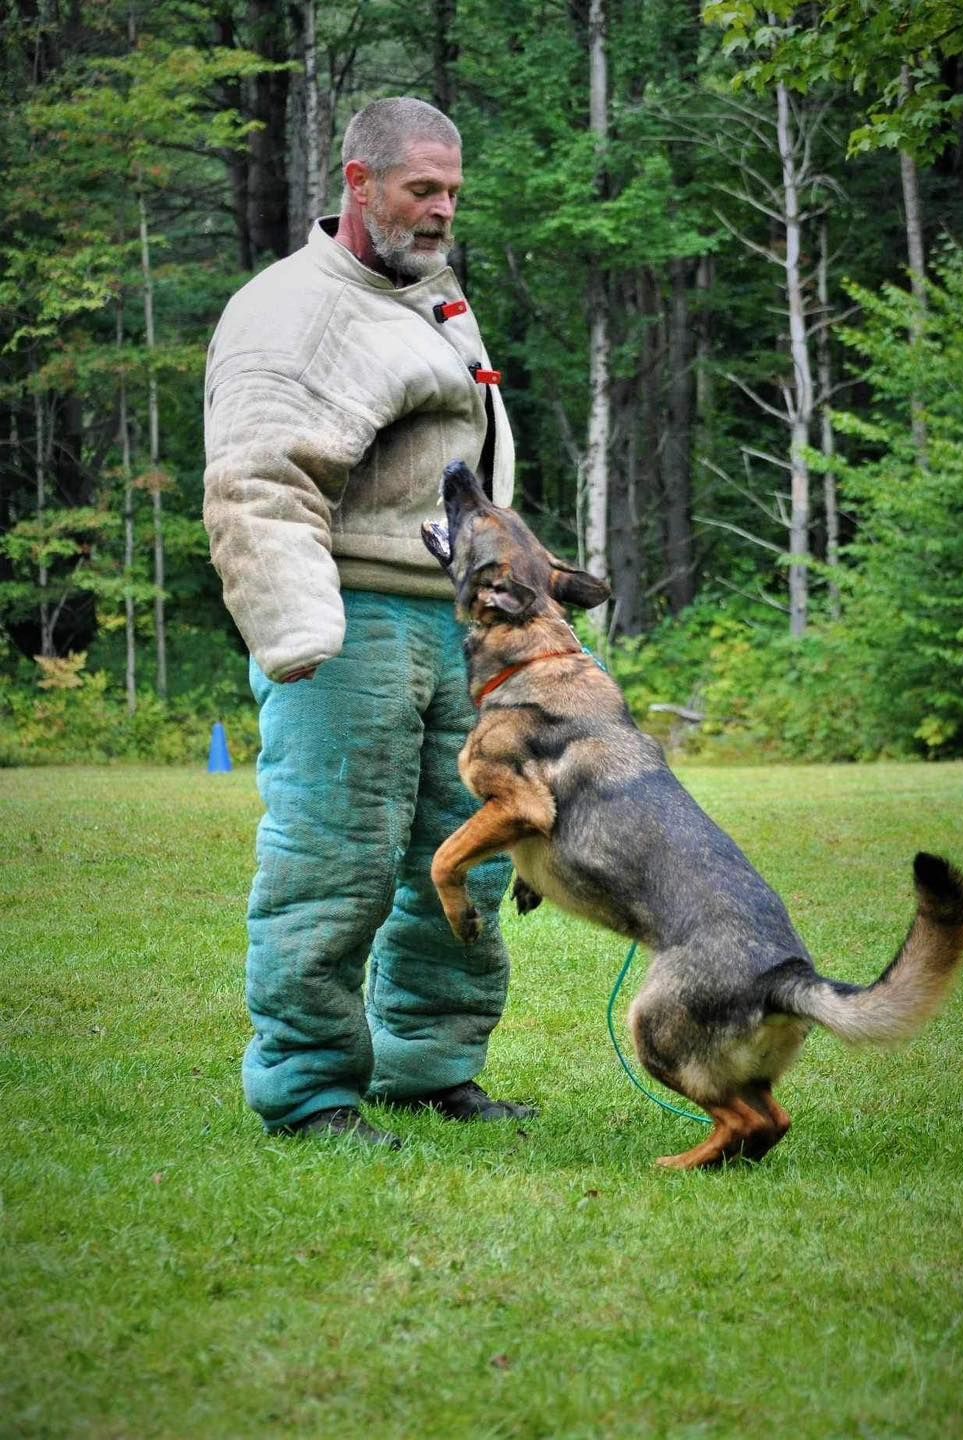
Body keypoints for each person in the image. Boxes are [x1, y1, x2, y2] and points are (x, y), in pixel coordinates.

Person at [203, 97, 535, 1147]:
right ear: (357, 182)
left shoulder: (427, 296)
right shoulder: (290, 308)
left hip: (452, 625)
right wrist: (295, 633)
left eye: (450, 193)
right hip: (348, 626)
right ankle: (306, 1091)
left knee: (466, 850)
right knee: (333, 861)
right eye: (418, 190)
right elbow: (256, 480)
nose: (439, 212)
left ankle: (428, 1067)